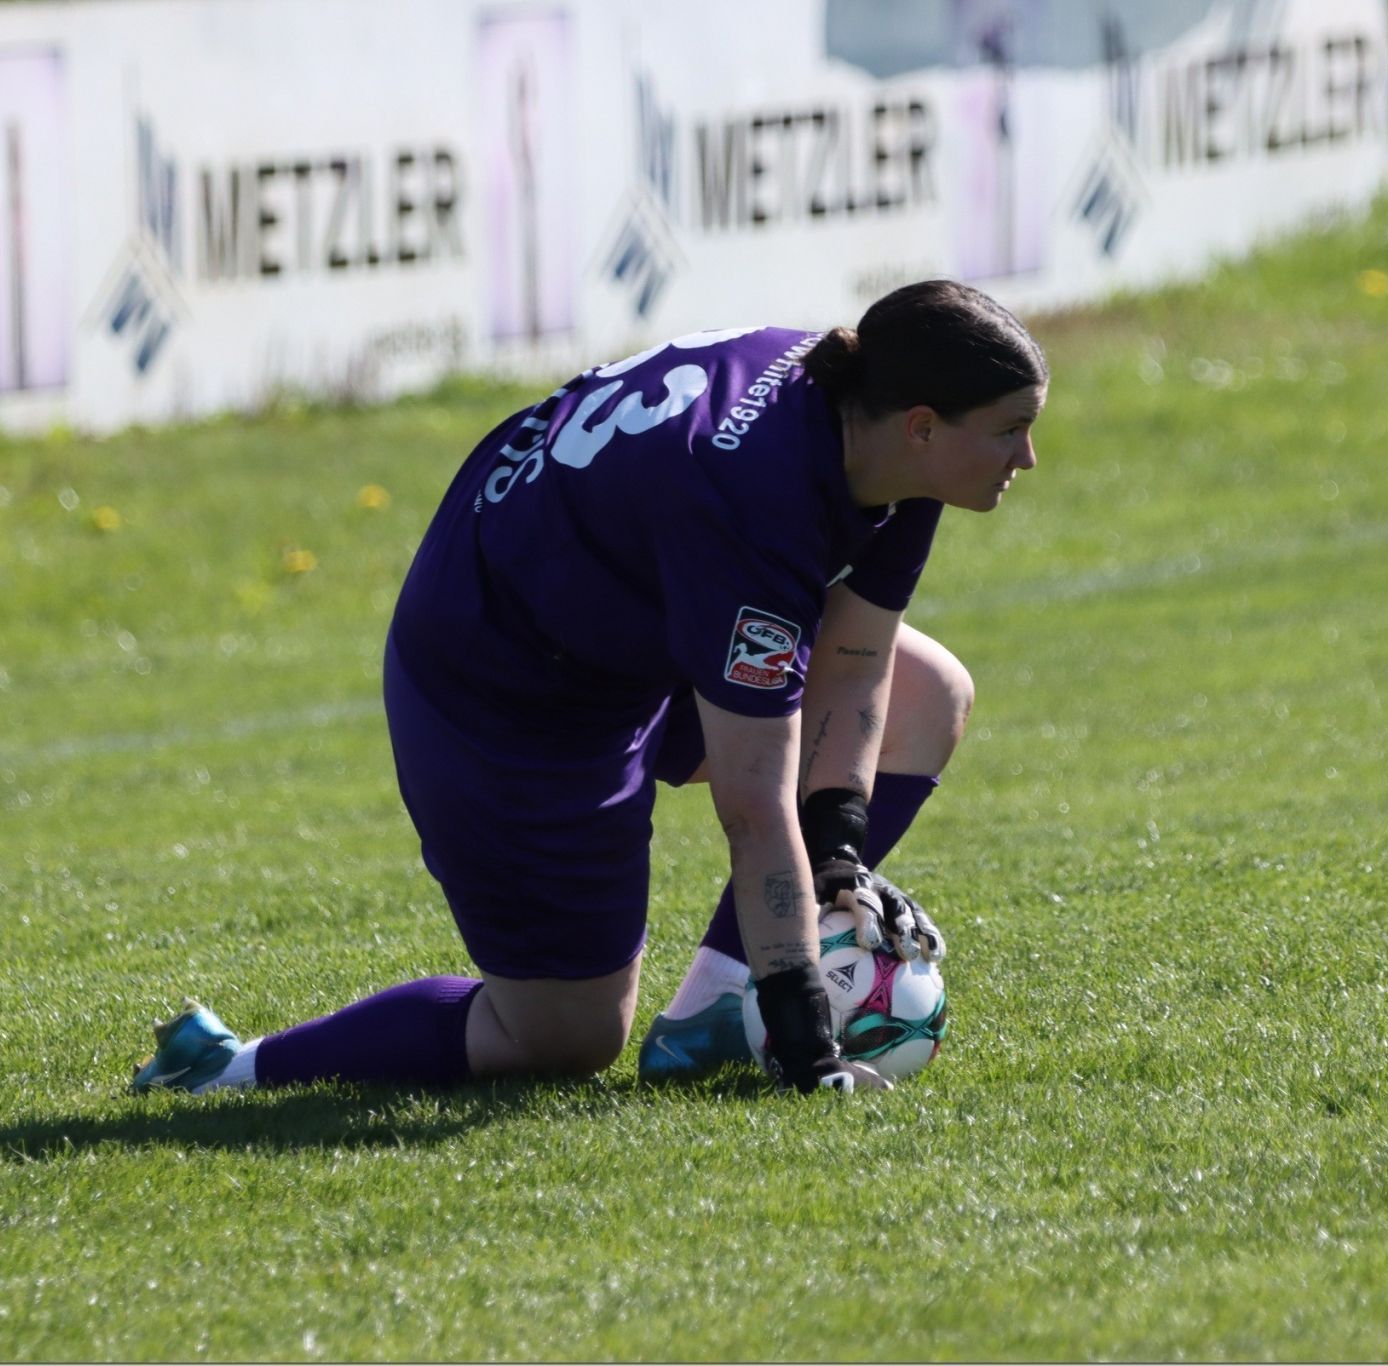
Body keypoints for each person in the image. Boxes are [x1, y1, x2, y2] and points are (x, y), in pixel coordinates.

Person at [130, 278, 1047, 1097]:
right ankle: (226, 1067)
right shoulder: (752, 501)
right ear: (924, 425)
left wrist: (840, 848)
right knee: (564, 1037)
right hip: (503, 686)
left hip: (624, 627)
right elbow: (754, 807)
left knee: (929, 694)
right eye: (1011, 429)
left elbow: (857, 660)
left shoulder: (880, 417)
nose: (1029, 457)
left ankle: (715, 1019)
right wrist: (810, 1044)